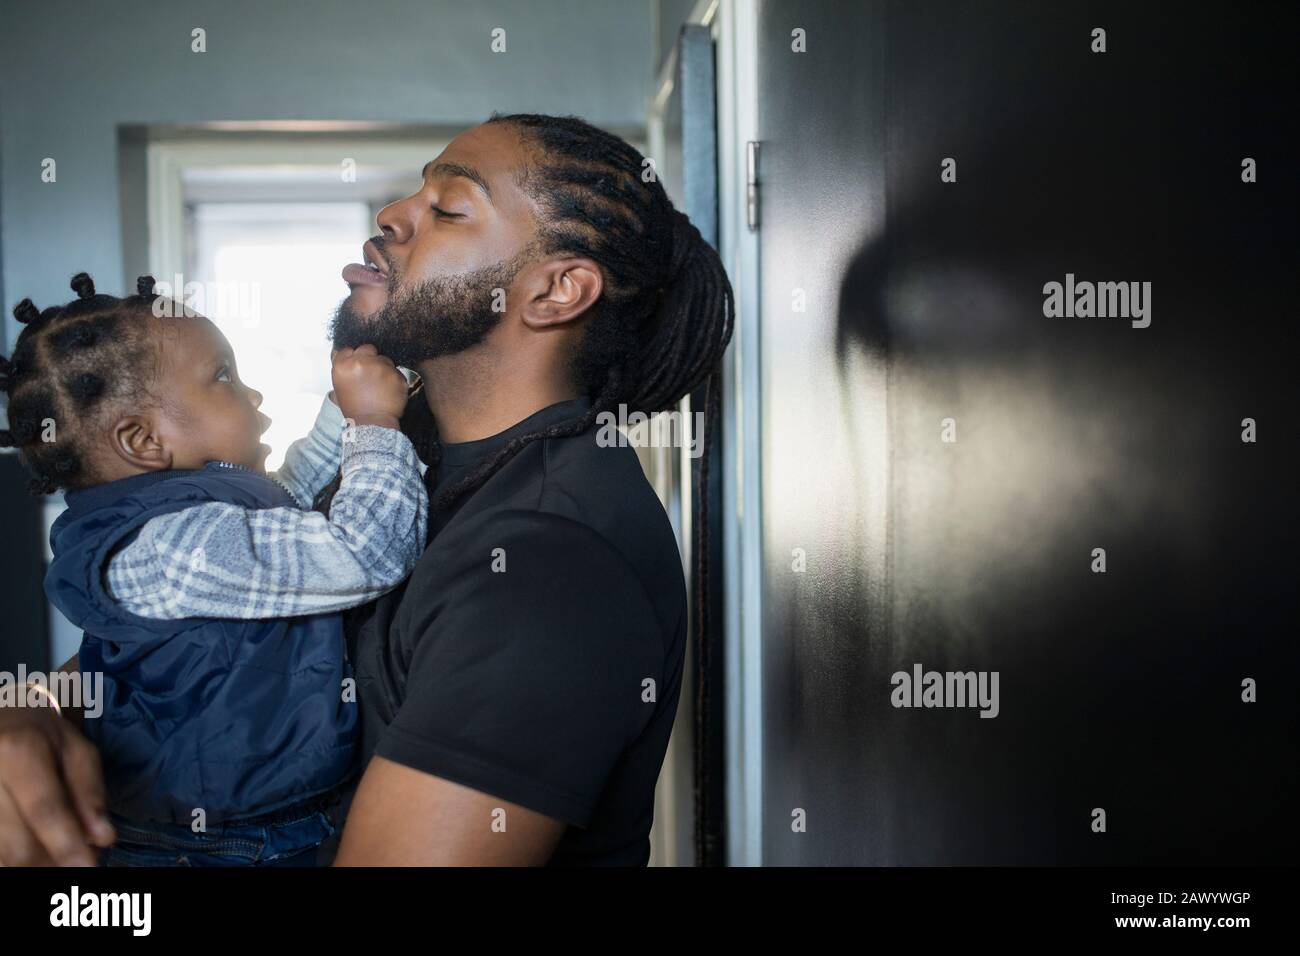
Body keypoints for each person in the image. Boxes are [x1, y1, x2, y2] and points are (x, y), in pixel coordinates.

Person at [0, 111, 733, 866]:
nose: (392, 214)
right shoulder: (410, 445)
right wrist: (23, 712)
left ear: (553, 291)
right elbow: (195, 632)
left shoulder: (548, 560)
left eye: (448, 207)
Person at [0, 274, 426, 865]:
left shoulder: (193, 514)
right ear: (143, 440)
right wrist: (376, 425)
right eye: (223, 377)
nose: (251, 395)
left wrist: (343, 405)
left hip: (264, 825)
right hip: (214, 847)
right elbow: (363, 553)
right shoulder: (174, 547)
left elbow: (292, 501)